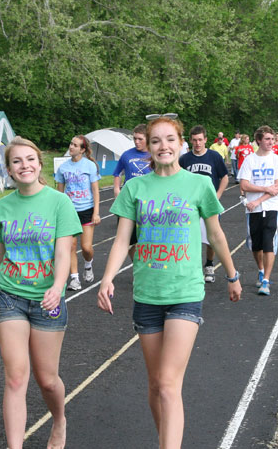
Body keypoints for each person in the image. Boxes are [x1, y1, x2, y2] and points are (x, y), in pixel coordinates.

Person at [97, 117, 241, 449]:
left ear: (181, 144)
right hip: (147, 293)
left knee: (167, 384)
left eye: (171, 139)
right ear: (147, 145)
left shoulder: (198, 185)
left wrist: (232, 275)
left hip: (185, 292)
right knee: (154, 385)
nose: (164, 146)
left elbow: (216, 234)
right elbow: (122, 241)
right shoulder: (135, 188)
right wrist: (106, 279)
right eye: (157, 140)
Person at [0, 136, 82, 449]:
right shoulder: (1, 208)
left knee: (47, 379)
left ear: (40, 165)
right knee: (15, 377)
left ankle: (59, 419)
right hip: (9, 297)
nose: (24, 165)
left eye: (29, 159)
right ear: (9, 170)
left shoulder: (59, 202)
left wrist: (57, 286)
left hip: (47, 300)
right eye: (16, 161)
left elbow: (64, 253)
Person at [238, 125, 278, 296]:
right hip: (252, 209)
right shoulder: (250, 160)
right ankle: (260, 269)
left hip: (271, 207)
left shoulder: (276, 160)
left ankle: (266, 280)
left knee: (269, 243)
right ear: (258, 140)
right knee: (256, 244)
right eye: (267, 139)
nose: (271, 142)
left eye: (273, 139)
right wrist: (266, 188)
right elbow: (244, 185)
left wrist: (261, 197)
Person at [179, 125, 229, 282]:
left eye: (200, 140)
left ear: (206, 140)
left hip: (209, 204)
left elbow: (225, 177)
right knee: (188, 237)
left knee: (211, 238)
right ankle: (190, 267)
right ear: (190, 141)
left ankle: (209, 265)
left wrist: (218, 195)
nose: (197, 143)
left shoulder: (214, 156)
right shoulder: (185, 159)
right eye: (194, 140)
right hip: (190, 205)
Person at [56, 135, 101, 291]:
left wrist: (96, 212)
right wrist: (59, 212)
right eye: (71, 144)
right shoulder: (63, 168)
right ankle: (74, 279)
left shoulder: (89, 166)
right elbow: (60, 193)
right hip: (70, 211)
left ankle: (88, 265)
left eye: (75, 145)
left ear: (82, 149)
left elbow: (95, 190)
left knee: (86, 247)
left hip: (87, 210)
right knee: (71, 246)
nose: (71, 147)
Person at [113, 124, 151, 260]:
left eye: (140, 139)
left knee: (147, 239)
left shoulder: (155, 155)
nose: (136, 142)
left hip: (148, 203)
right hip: (129, 202)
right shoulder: (127, 155)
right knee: (128, 240)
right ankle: (137, 265)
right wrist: (117, 189)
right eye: (134, 139)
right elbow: (117, 172)